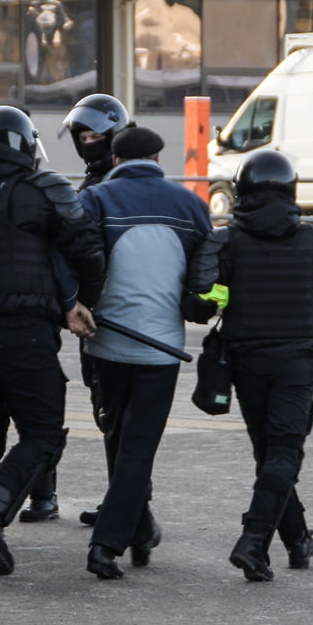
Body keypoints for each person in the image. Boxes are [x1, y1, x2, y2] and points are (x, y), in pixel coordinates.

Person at [0, 106, 105, 577]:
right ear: (23, 145)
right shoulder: (39, 188)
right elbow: (86, 247)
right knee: (44, 433)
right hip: (25, 331)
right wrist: (80, 300)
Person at [185, 149, 313, 581]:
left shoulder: (224, 240)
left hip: (245, 359)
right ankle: (253, 540)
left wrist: (224, 304)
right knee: (283, 451)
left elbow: (197, 303)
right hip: (295, 361)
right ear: (291, 189)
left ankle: (297, 541)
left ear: (242, 190)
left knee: (269, 452)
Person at [75, 125, 211, 578]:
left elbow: (72, 257)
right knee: (137, 446)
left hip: (105, 340)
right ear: (158, 158)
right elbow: (206, 278)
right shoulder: (191, 205)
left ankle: (140, 527)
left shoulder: (95, 200)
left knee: (117, 437)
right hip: (162, 348)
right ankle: (106, 545)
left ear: (115, 160)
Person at [54, 93, 130, 527]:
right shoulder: (98, 182)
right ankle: (124, 497)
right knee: (108, 409)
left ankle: (128, 501)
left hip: (110, 311)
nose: (87, 142)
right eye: (82, 136)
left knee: (115, 409)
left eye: (95, 135)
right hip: (96, 311)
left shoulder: (112, 186)